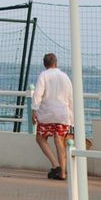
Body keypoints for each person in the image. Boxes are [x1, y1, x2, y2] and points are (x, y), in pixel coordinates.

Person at [32, 52, 74, 181]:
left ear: (45, 64)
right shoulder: (65, 76)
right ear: (56, 63)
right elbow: (70, 97)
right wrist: (72, 118)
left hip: (47, 114)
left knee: (40, 138)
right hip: (63, 113)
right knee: (59, 139)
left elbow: (37, 94)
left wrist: (34, 110)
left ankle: (56, 166)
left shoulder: (43, 75)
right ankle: (62, 172)